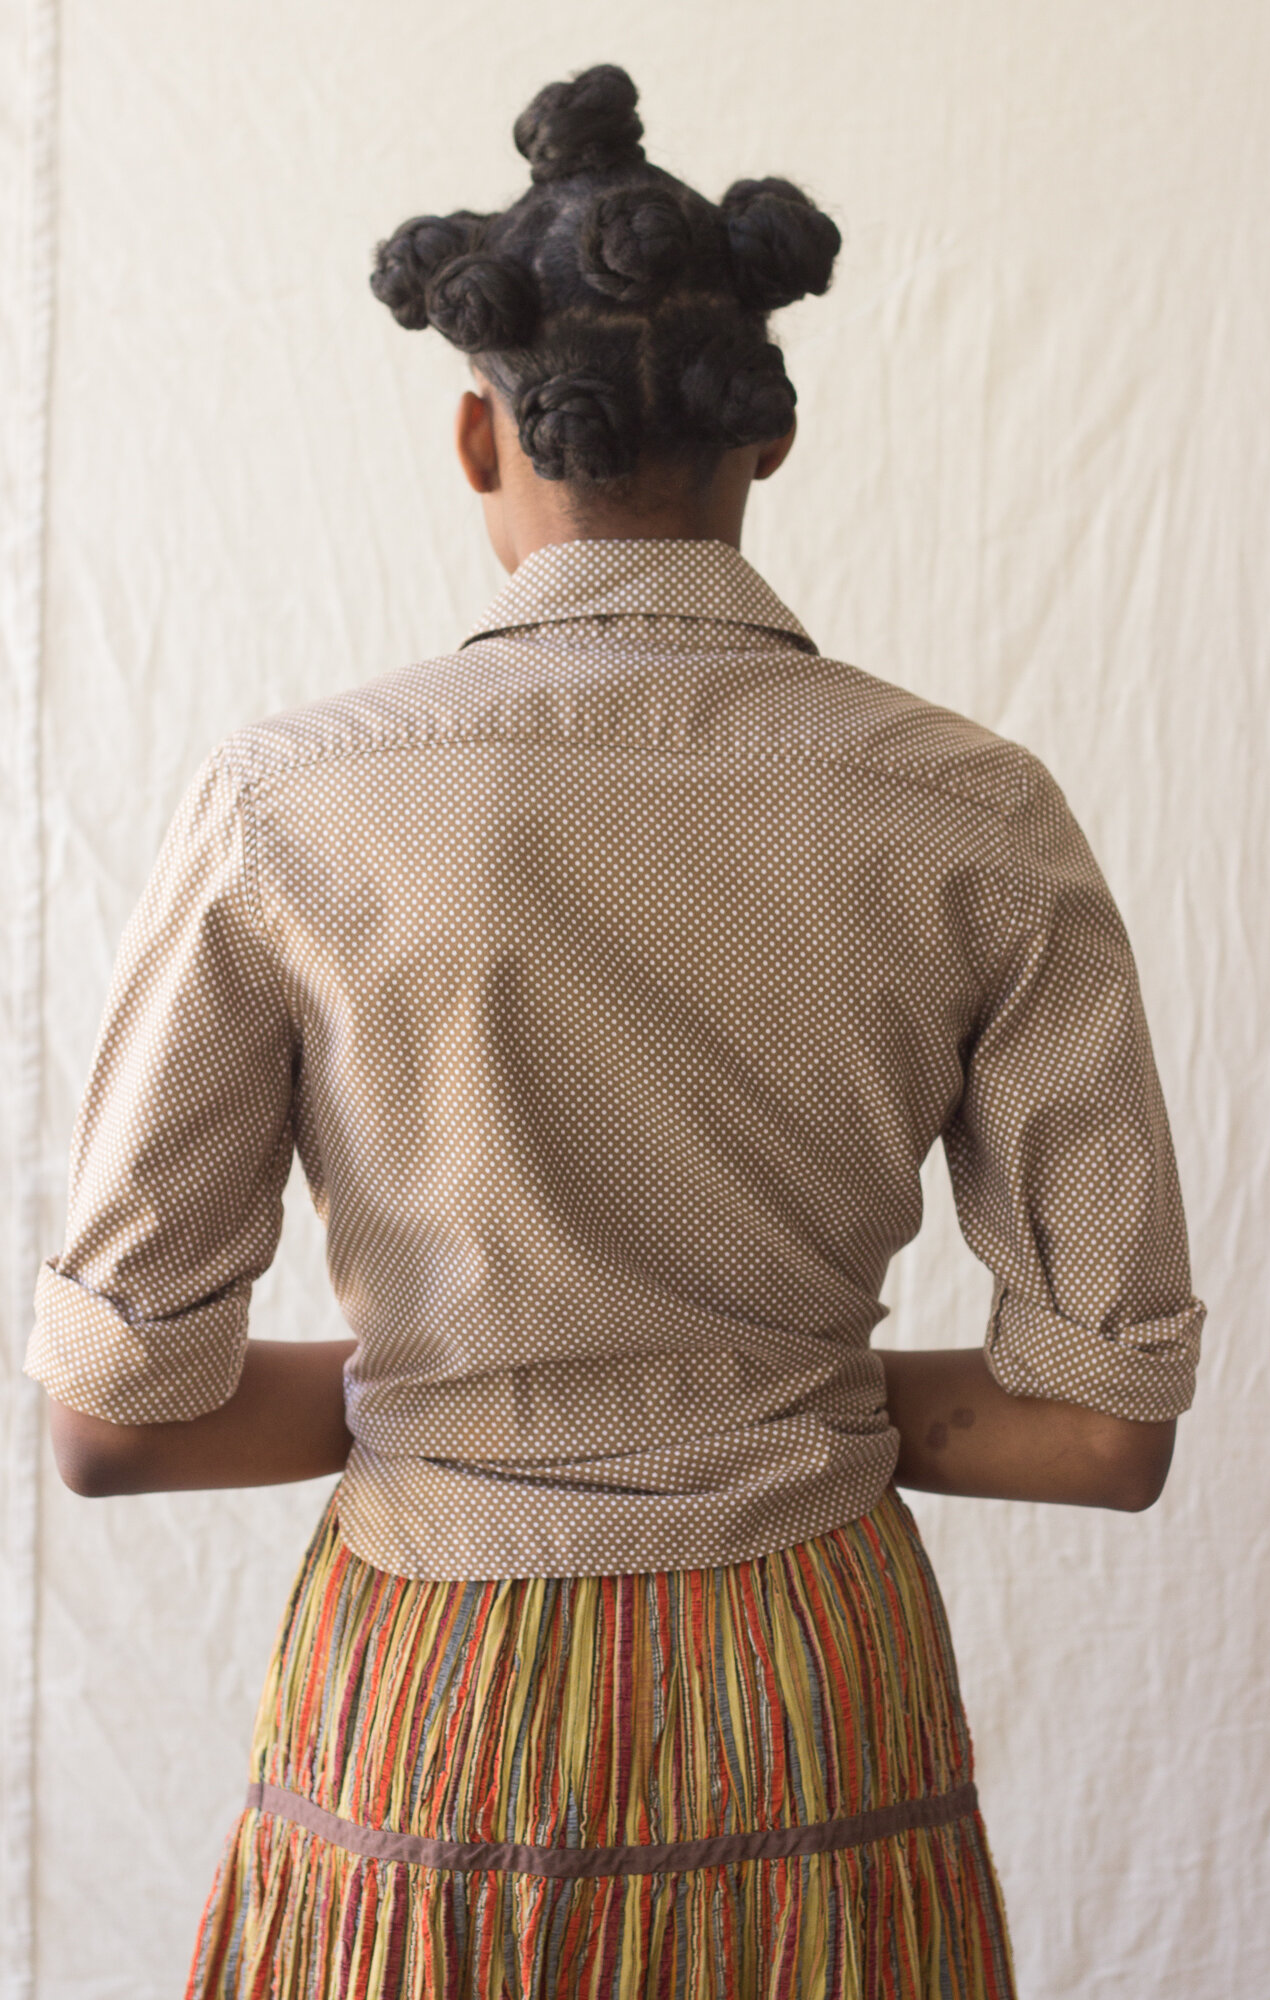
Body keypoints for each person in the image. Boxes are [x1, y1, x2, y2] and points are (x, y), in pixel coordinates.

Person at [26, 63, 1205, 2000]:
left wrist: (475, 1401)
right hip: (807, 1700)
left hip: (432, 1693)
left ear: (473, 427)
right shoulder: (970, 810)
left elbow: (113, 1424)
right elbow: (1097, 1432)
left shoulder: (290, 805)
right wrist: (739, 1399)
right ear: (772, 434)